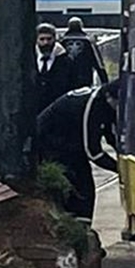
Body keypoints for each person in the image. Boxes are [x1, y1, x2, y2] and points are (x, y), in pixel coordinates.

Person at [36, 78, 119, 222]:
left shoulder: (105, 104)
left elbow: (111, 134)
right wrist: (118, 168)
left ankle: (81, 222)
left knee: (83, 184)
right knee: (79, 185)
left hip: (68, 142)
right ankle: (75, 224)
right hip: (52, 142)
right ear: (110, 97)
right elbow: (92, 151)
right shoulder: (92, 106)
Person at [34, 23, 74, 116]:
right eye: (42, 39)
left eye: (49, 39)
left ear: (54, 39)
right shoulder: (28, 60)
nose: (45, 43)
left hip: (58, 110)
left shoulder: (66, 61)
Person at [60, 17, 108, 89]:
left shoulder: (62, 42)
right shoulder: (88, 42)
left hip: (66, 79)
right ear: (81, 26)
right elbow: (98, 62)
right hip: (84, 78)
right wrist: (104, 81)